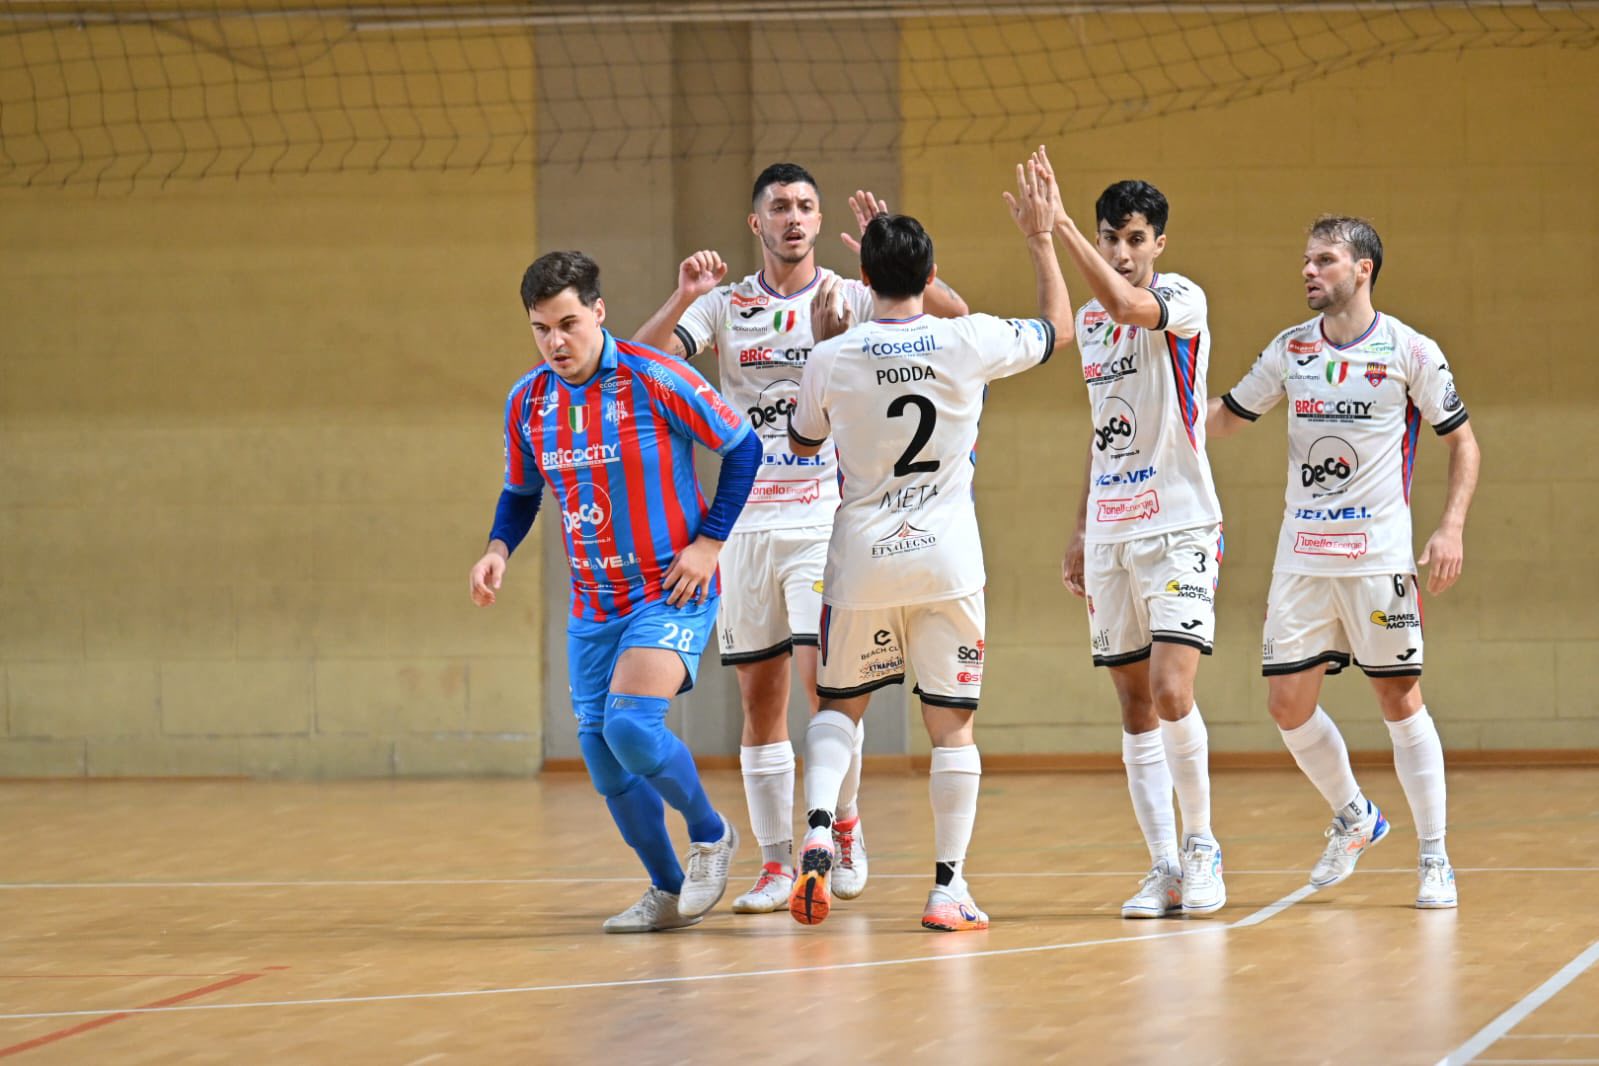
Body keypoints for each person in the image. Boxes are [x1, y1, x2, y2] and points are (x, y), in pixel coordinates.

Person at [632, 164, 969, 913]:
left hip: (824, 518)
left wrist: (891, 248)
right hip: (745, 525)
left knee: (826, 688)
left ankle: (840, 827)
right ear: (756, 222)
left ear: (819, 223)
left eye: (805, 206)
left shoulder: (850, 295)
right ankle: (775, 863)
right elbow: (637, 366)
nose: (793, 217)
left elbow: (951, 314)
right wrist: (682, 297)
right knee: (760, 701)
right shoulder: (723, 305)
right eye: (780, 206)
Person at [782, 150, 1071, 931]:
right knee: (952, 728)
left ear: (861, 280)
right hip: (946, 560)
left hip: (861, 561)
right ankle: (947, 889)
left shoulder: (831, 354)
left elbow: (804, 445)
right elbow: (1059, 328)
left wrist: (825, 342)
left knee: (838, 708)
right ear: (931, 274)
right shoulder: (967, 338)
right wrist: (1040, 240)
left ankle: (819, 831)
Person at [469, 250, 763, 932]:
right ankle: (666, 892)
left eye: (568, 324)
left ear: (598, 312)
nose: (555, 342)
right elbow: (521, 492)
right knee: (602, 758)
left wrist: (709, 544)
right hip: (592, 601)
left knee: (630, 727)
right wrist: (496, 550)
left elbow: (743, 448)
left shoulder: (655, 376)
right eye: (541, 329)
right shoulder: (528, 401)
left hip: (669, 588)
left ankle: (712, 834)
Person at [1207, 215, 1479, 909]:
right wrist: (1164, 423)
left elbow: (1463, 444)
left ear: (1362, 269)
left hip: (1376, 559)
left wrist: (1449, 527)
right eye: (1306, 259)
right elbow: (1228, 416)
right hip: (1301, 560)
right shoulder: (1290, 349)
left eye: (1323, 260)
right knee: (1285, 705)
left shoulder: (1410, 350)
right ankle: (1356, 815)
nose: (1308, 270)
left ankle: (1434, 856)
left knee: (1399, 699)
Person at [1042, 150, 1227, 918]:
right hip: (1112, 529)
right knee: (1133, 705)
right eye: (1109, 238)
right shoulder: (1088, 322)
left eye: (1133, 238)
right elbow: (1102, 432)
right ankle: (1163, 866)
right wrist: (1081, 525)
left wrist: (1057, 227)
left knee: (1172, 690)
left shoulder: (1179, 298)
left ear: (1157, 243)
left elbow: (1125, 305)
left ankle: (1202, 845)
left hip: (1178, 522)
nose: (1121, 251)